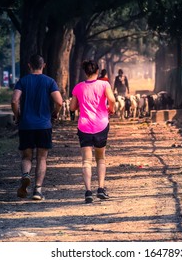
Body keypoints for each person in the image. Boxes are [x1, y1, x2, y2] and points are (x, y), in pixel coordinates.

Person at [11, 54, 62, 201]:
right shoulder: (50, 82)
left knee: (27, 156)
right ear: (43, 65)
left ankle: (26, 175)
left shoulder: (23, 81)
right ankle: (38, 190)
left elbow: (15, 101)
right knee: (42, 158)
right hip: (44, 125)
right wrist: (54, 114)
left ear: (29, 65)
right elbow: (59, 102)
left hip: (26, 125)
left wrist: (17, 116)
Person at [70, 60, 116, 203]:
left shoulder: (78, 87)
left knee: (86, 161)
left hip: (84, 126)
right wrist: (111, 109)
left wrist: (82, 104)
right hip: (101, 125)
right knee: (100, 158)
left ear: (85, 72)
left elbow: (72, 108)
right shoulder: (104, 84)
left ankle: (88, 192)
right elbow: (112, 100)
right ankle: (101, 189)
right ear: (97, 71)